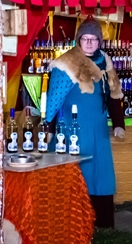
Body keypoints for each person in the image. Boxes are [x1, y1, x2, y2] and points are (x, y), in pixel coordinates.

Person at [44, 19, 125, 228]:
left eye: (94, 39)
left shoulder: (105, 62)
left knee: (101, 174)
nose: (89, 43)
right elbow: (53, 101)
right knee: (77, 174)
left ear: (99, 41)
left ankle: (101, 222)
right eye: (85, 38)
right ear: (78, 40)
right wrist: (49, 129)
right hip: (73, 131)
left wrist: (118, 123)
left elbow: (114, 95)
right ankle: (73, 223)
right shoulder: (66, 64)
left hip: (98, 130)